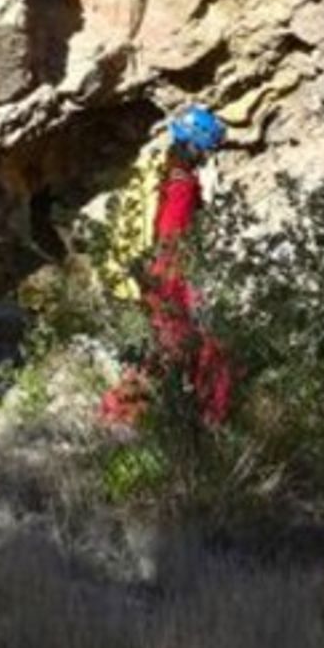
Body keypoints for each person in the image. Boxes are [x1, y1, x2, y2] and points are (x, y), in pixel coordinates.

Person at [140, 103, 232, 426]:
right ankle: (211, 422)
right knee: (207, 350)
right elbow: (172, 237)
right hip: (171, 278)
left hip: (158, 276)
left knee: (165, 352)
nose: (208, 157)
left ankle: (128, 415)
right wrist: (190, 291)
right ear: (195, 147)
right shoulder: (182, 186)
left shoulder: (162, 173)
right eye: (206, 151)